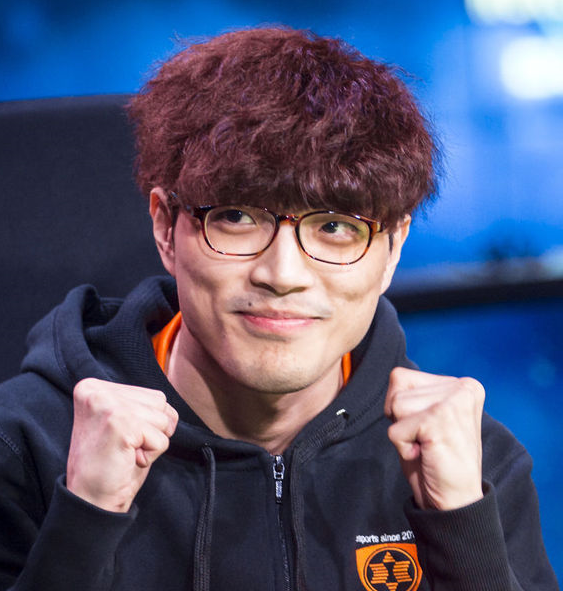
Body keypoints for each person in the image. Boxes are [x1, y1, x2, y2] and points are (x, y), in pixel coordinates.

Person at [0, 26, 557, 591]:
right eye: (237, 217)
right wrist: (85, 522)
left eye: (336, 227)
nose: (283, 274)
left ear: (393, 250)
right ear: (166, 227)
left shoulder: (474, 461)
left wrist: (463, 529)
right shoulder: (26, 446)